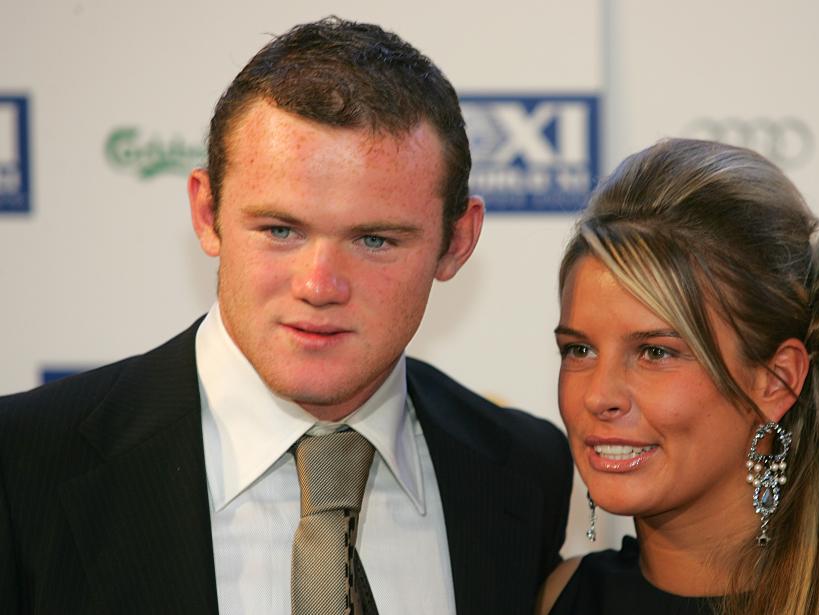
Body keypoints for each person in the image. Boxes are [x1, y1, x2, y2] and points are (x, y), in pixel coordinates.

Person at [0, 17, 572, 615]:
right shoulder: (22, 467)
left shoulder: (526, 471)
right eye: (280, 229)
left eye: (375, 240)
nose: (319, 285)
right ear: (206, 211)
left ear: (456, 242)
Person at [538, 139, 819, 615]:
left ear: (775, 382)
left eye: (655, 352)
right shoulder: (557, 598)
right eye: (579, 349)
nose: (598, 395)